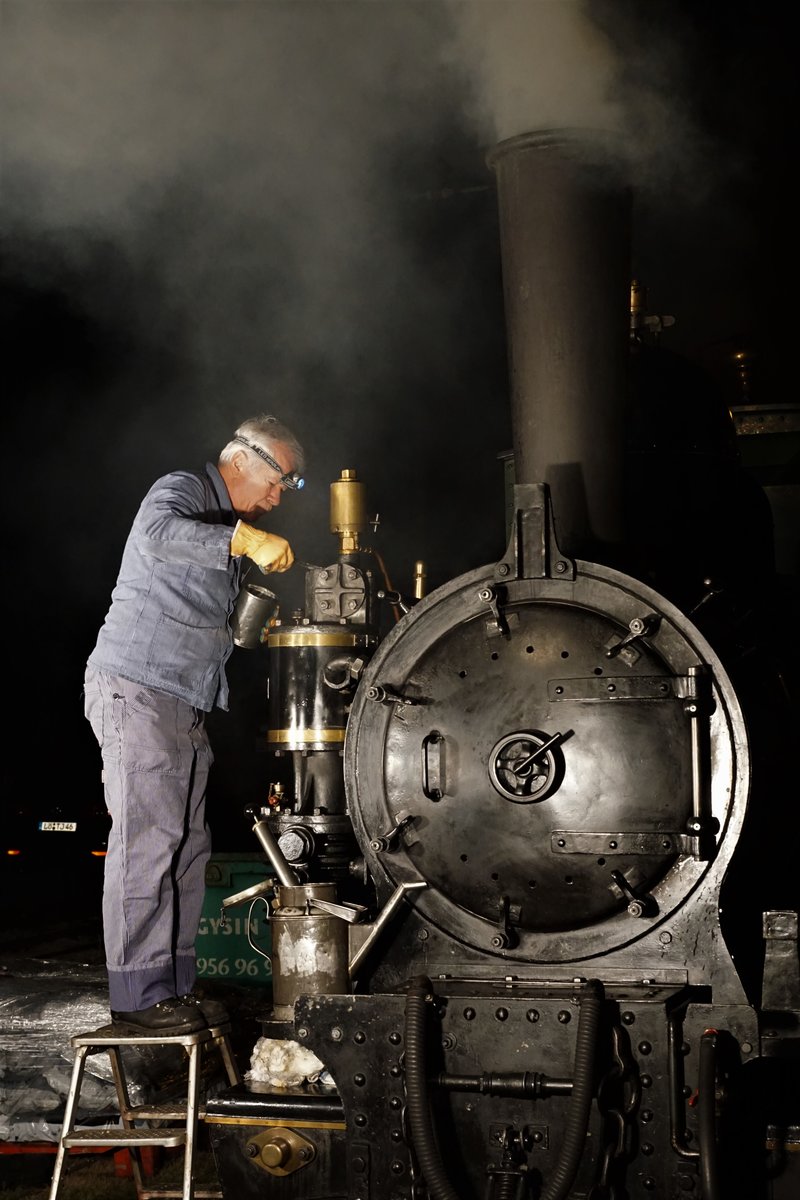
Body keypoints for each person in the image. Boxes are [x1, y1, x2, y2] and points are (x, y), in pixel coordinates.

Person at [83, 414, 305, 1033]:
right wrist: (242, 541)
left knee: (186, 846)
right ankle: (138, 995)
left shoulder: (231, 529)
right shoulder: (179, 490)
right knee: (148, 840)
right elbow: (156, 534)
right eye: (282, 479)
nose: (280, 495)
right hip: (139, 687)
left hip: (186, 698)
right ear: (245, 459)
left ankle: (172, 985)